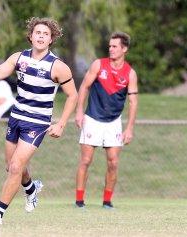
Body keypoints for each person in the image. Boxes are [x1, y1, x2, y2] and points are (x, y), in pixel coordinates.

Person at [0, 17, 78, 225]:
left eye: (45, 34)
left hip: (37, 122)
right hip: (16, 118)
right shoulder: (19, 58)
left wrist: (61, 124)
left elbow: (73, 96)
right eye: (37, 33)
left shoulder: (58, 67)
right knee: (11, 167)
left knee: (15, 167)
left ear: (51, 39)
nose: (41, 36)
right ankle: (31, 189)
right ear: (31, 36)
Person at [75, 32, 138, 209]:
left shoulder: (130, 74)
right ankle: (79, 201)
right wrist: (79, 112)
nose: (110, 49)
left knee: (113, 162)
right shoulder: (98, 65)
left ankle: (107, 201)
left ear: (124, 49)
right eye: (109, 46)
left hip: (113, 122)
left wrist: (129, 128)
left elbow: (133, 102)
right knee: (86, 160)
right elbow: (84, 87)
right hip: (92, 118)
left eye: (115, 46)